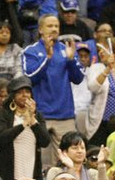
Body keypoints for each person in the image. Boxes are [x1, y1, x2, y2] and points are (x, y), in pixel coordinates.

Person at [22, 14, 84, 168]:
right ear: (41, 30)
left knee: (67, 163)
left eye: (56, 26)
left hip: (65, 115)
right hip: (40, 116)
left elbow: (78, 79)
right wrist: (47, 59)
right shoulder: (31, 51)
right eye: (50, 26)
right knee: (41, 163)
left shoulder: (67, 50)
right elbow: (30, 77)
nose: (54, 29)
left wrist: (70, 60)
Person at [0, 76, 50, 180]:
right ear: (13, 96)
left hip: (30, 170)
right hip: (7, 171)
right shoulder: (4, 114)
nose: (25, 95)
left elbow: (45, 141)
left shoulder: (37, 116)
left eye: (27, 92)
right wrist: (22, 125)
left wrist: (32, 120)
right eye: (20, 92)